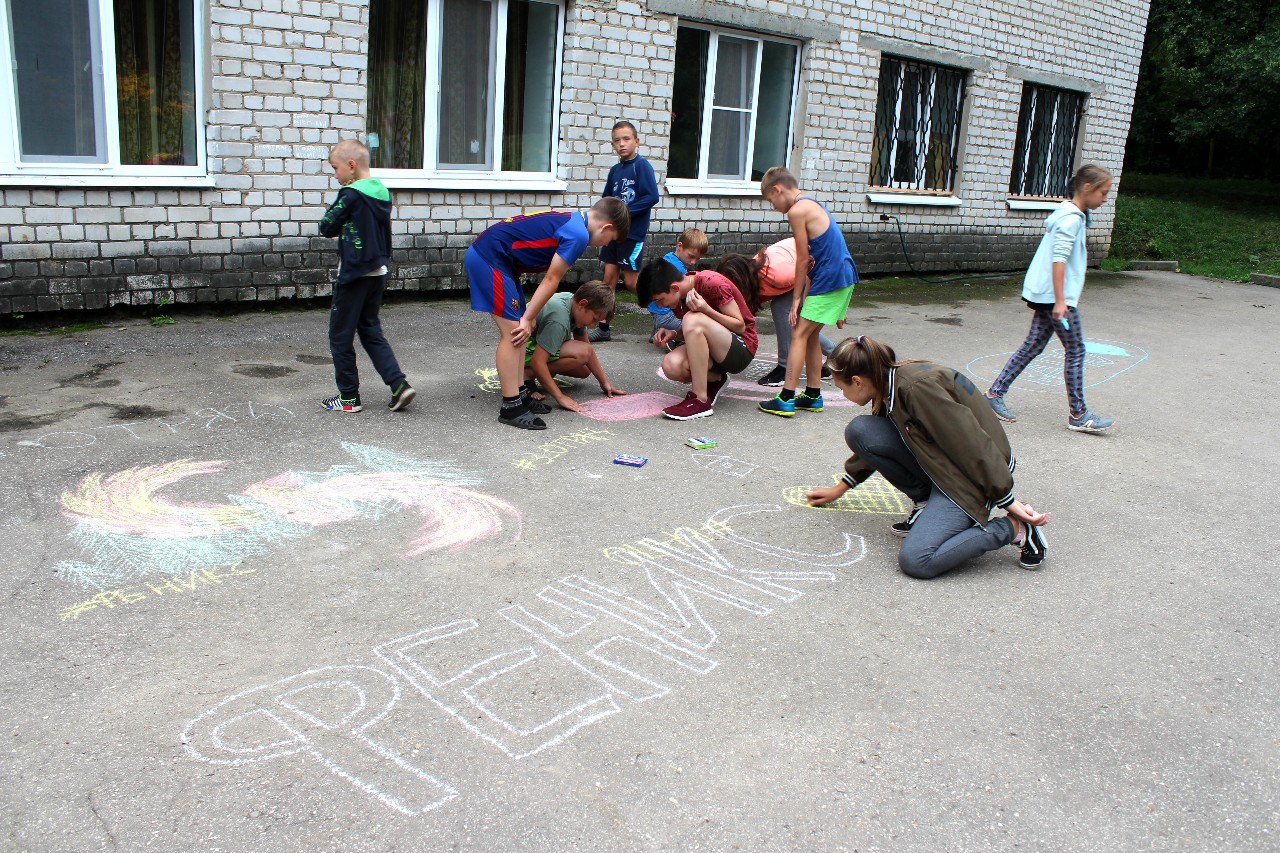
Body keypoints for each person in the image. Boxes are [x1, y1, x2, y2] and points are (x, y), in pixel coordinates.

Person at [806, 335, 1050, 579]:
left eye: (841, 388)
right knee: (861, 430)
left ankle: (1015, 529)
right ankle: (926, 503)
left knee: (918, 560)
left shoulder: (917, 388)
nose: (842, 394)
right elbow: (881, 442)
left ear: (857, 382)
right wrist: (841, 487)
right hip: (942, 463)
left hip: (972, 475)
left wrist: (1007, 500)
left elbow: (972, 445)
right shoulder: (886, 382)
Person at [467, 199, 630, 430]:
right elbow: (552, 279)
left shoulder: (574, 221)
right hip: (490, 258)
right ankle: (511, 406)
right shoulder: (579, 235)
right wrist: (526, 318)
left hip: (501, 261)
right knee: (514, 331)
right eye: (610, 240)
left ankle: (520, 393)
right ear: (607, 227)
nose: (604, 245)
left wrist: (530, 316)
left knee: (522, 330)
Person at [985, 164, 1116, 434]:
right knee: (1076, 349)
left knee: (1033, 345)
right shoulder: (1070, 219)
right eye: (1103, 193)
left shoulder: (1073, 214)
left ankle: (994, 394)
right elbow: (1059, 261)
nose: (1105, 199)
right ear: (1087, 188)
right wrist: (1060, 302)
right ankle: (1078, 414)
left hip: (1048, 294)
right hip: (1056, 297)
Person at [318, 139, 415, 414]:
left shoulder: (351, 195)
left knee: (340, 335)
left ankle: (348, 398)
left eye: (336, 169)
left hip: (355, 274)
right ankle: (399, 385)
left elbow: (326, 226)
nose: (335, 176)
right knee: (370, 330)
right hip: (377, 272)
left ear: (351, 166)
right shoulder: (382, 193)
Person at [758, 166, 859, 417]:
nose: (775, 208)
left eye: (772, 201)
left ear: (777, 190)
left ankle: (786, 397)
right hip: (839, 277)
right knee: (811, 335)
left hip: (831, 278)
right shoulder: (812, 204)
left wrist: (794, 299)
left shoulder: (797, 210)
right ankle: (813, 395)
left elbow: (803, 259)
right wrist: (808, 297)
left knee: (798, 333)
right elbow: (824, 254)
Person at [637, 257, 758, 421]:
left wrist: (706, 309)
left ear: (674, 287)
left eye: (659, 300)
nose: (660, 306)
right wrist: (674, 333)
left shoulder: (711, 282)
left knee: (692, 319)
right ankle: (715, 380)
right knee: (671, 365)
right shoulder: (679, 296)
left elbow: (739, 325)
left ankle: (700, 400)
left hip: (741, 349)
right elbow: (698, 330)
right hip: (716, 349)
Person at [717, 238, 837, 386]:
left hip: (818, 268)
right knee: (795, 322)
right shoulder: (753, 277)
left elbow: (808, 273)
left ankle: (785, 368)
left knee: (783, 309)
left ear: (739, 280)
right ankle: (834, 352)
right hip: (796, 262)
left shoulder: (778, 275)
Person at [592, 120, 660, 343]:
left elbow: (651, 197)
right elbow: (607, 199)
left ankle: (663, 317)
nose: (621, 144)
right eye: (616, 140)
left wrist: (623, 212)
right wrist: (599, 217)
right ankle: (604, 327)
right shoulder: (615, 170)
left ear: (636, 142)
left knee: (632, 282)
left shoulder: (642, 167)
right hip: (612, 234)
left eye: (626, 139)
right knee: (608, 279)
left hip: (632, 234)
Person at [524, 280, 626, 413]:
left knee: (583, 369)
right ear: (583, 304)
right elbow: (538, 361)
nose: (593, 325)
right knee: (582, 353)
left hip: (532, 345)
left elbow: (585, 347)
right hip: (521, 351)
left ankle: (530, 373)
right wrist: (560, 397)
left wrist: (604, 383)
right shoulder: (558, 320)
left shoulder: (574, 304)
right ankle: (526, 375)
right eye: (594, 319)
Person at [647, 228, 709, 343]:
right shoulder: (678, 270)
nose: (693, 262)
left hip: (656, 309)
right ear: (680, 245)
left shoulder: (669, 257)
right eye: (691, 256)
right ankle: (670, 338)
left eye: (697, 259)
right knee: (693, 327)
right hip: (665, 313)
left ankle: (658, 330)